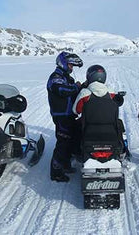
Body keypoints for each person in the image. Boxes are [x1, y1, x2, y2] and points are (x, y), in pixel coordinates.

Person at [72, 65, 129, 157]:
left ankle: (76, 151)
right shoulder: (111, 92)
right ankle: (123, 149)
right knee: (119, 124)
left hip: (89, 126)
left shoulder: (84, 93)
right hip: (109, 126)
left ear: (90, 77)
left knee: (75, 126)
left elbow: (75, 110)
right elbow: (117, 104)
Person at [47, 51, 83, 182]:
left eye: (72, 66)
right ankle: (55, 172)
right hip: (61, 115)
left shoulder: (67, 77)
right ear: (63, 63)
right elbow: (62, 90)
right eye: (70, 65)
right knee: (63, 143)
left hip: (69, 114)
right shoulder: (56, 77)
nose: (71, 68)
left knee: (71, 141)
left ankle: (66, 164)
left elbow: (73, 91)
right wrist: (76, 87)